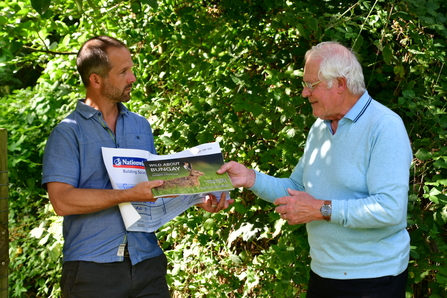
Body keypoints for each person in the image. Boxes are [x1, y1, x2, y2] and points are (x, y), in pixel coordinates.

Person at [42, 35, 232, 298]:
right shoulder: (67, 133)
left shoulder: (140, 125)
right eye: (123, 72)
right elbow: (62, 201)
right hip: (92, 270)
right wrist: (126, 195)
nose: (132, 78)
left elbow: (151, 191)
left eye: (131, 69)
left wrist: (196, 197)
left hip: (147, 263)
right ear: (96, 80)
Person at [218, 41, 412, 298]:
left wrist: (322, 209)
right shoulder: (321, 127)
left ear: (340, 84)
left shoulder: (384, 126)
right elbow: (297, 190)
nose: (304, 93)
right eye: (304, 85)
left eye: (312, 85)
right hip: (323, 273)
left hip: (373, 278)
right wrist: (250, 178)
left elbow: (390, 210)